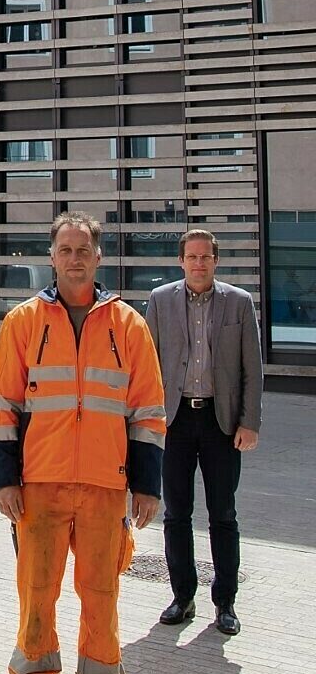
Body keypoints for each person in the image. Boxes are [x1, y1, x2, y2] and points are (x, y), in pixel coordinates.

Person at [0, 211, 166, 674]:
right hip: (39, 481)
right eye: (65, 250)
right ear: (52, 257)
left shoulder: (129, 325)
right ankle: (35, 666)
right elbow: (2, 405)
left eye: (83, 250)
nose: (74, 258)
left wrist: (147, 486)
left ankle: (102, 668)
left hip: (106, 482)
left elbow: (148, 410)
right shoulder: (22, 322)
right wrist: (5, 480)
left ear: (98, 256)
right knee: (36, 590)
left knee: (101, 593)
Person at [146, 229, 262, 636]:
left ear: (216, 261)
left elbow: (253, 369)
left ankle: (225, 603)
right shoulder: (160, 302)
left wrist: (250, 422)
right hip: (174, 422)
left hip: (221, 422)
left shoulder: (239, 303)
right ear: (181, 261)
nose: (198, 263)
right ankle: (182, 597)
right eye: (191, 257)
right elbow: (148, 367)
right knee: (177, 514)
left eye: (205, 257)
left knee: (223, 515)